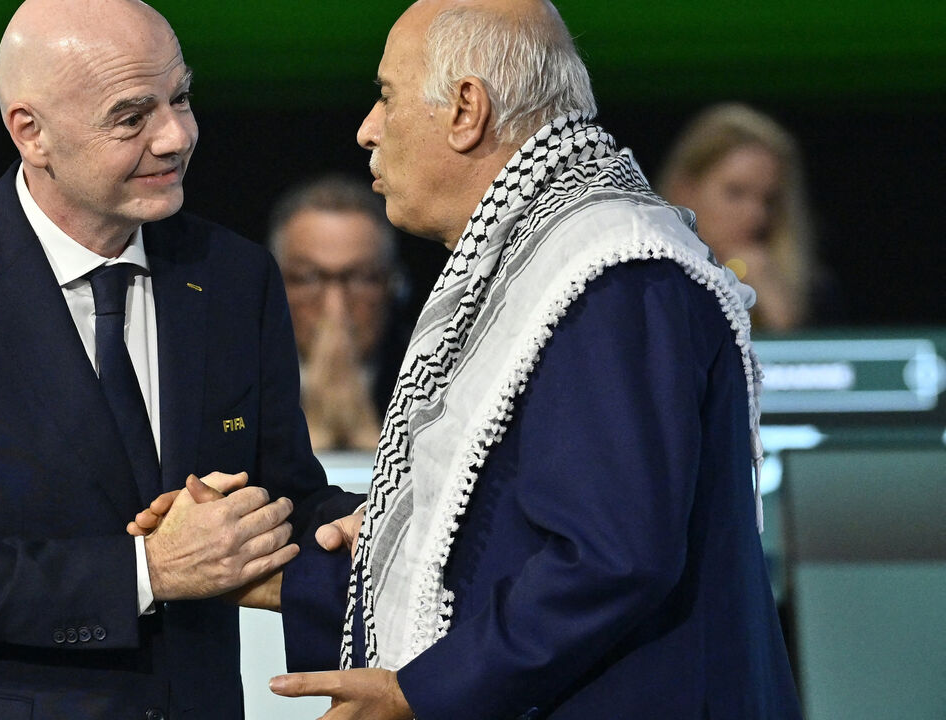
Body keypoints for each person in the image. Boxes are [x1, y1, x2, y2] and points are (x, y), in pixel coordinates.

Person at [263, 1, 802, 718]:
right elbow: (506, 555)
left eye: (387, 96)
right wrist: (264, 564)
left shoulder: (608, 272)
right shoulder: (553, 262)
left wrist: (422, 693)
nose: (368, 128)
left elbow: (613, 558)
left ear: (466, 110)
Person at [0, 0, 355, 717]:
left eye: (181, 98)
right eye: (131, 117)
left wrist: (368, 525)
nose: (176, 137)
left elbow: (279, 495)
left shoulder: (234, 277)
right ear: (32, 132)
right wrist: (147, 571)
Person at [268, 176, 407, 451]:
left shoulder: (440, 375)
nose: (336, 308)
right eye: (308, 278)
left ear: (394, 287)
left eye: (362, 278)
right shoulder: (232, 378)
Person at [658, 103, 822, 331]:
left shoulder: (816, 294)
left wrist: (781, 317)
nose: (757, 216)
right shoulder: (635, 283)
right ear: (685, 191)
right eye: (736, 193)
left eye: (769, 200)